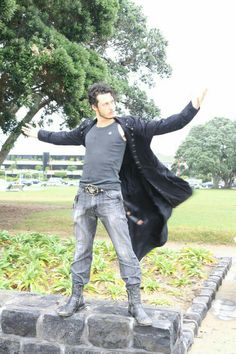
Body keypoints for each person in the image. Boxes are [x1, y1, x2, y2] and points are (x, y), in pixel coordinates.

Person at [22, 83, 207, 326]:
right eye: (105, 103)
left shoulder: (126, 126)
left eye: (112, 102)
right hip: (83, 197)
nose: (111, 106)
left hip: (110, 198)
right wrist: (39, 134)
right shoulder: (87, 128)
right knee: (81, 249)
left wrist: (192, 107)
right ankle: (76, 298)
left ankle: (135, 305)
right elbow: (62, 137)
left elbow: (166, 124)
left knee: (124, 251)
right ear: (94, 107)